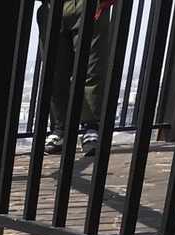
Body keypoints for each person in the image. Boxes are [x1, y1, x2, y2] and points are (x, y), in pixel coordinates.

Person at [39, 0, 117, 157]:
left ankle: (90, 128)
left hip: (88, 5)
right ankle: (61, 129)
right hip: (50, 6)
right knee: (54, 72)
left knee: (91, 67)